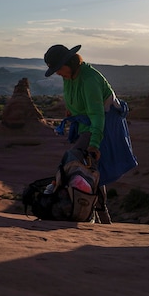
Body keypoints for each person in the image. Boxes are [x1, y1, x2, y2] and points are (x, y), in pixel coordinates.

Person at [43, 44, 117, 223]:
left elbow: (98, 115)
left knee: (72, 161)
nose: (58, 73)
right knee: (91, 171)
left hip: (99, 127)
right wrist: (72, 112)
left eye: (59, 69)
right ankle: (100, 216)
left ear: (70, 62)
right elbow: (73, 99)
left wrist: (94, 144)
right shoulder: (70, 76)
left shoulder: (89, 79)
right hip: (85, 126)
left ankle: (78, 209)